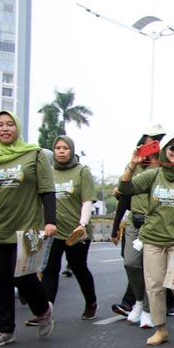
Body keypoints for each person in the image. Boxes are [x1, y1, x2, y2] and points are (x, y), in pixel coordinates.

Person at [119, 134, 174, 345]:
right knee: (155, 285)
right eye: (173, 147)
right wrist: (132, 165)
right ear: (164, 151)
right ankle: (160, 328)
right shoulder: (154, 175)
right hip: (153, 238)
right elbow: (126, 189)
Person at [0, 111, 55, 346]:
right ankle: (5, 330)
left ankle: (43, 310)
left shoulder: (33, 155)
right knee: (0, 279)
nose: (4, 129)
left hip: (27, 228)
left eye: (9, 124)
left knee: (24, 277)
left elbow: (47, 190)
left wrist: (50, 221)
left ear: (17, 128)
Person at [110, 124, 167, 328]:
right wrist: (115, 226)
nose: (152, 145)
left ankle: (147, 310)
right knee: (131, 263)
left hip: (154, 224)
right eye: (149, 141)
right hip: (134, 222)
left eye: (157, 141)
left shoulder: (164, 167)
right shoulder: (133, 167)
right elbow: (124, 196)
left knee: (150, 270)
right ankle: (138, 301)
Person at [37, 136, 98, 320]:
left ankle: (91, 302)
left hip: (76, 232)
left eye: (65, 148)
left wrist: (82, 225)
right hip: (53, 231)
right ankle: (46, 312)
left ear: (71, 150)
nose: (61, 151)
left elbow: (87, 200)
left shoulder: (82, 171)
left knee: (79, 268)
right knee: (50, 269)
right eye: (58, 148)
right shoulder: (48, 172)